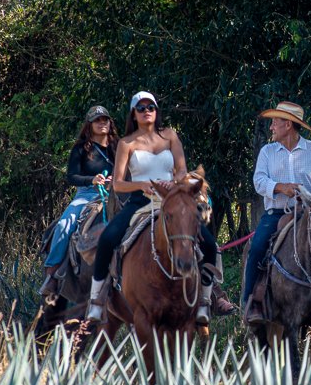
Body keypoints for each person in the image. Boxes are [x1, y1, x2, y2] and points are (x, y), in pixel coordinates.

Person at [87, 91, 234, 325]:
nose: (147, 111)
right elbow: (117, 184)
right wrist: (142, 184)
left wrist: (174, 183)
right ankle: (97, 299)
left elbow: (182, 172)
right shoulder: (126, 143)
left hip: (171, 201)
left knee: (208, 243)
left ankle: (207, 300)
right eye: (141, 108)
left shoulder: (170, 136)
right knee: (108, 238)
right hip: (140, 203)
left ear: (157, 111)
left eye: (151, 107)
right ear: (133, 114)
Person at [243, 101, 311, 326]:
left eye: (275, 122)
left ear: (288, 124)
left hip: (310, 214)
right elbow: (258, 181)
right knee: (257, 248)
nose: (271, 127)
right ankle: (251, 303)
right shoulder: (267, 152)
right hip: (278, 212)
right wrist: (280, 187)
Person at [39, 104, 117, 296]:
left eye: (104, 119)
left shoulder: (119, 147)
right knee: (65, 223)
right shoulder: (81, 149)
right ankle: (52, 274)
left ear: (109, 122)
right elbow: (71, 176)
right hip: (88, 194)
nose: (101, 123)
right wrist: (92, 179)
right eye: (96, 120)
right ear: (89, 125)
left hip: (116, 194)